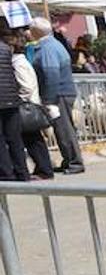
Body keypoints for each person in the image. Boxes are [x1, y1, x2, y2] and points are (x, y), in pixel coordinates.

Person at [28, 18, 83, 174]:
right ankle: (70, 160)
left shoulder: (47, 49)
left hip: (58, 94)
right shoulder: (53, 45)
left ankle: (74, 162)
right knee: (63, 129)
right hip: (62, 92)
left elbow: (51, 74)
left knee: (64, 130)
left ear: (35, 32)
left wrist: (49, 99)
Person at [8, 30, 54, 179]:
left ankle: (44, 169)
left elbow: (26, 86)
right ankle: (44, 168)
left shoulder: (18, 63)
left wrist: (19, 98)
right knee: (33, 139)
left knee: (32, 139)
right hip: (29, 104)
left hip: (26, 106)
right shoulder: (21, 62)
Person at [0, 32, 28, 181]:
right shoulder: (6, 49)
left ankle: (6, 173)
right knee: (15, 138)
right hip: (11, 98)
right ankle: (22, 172)